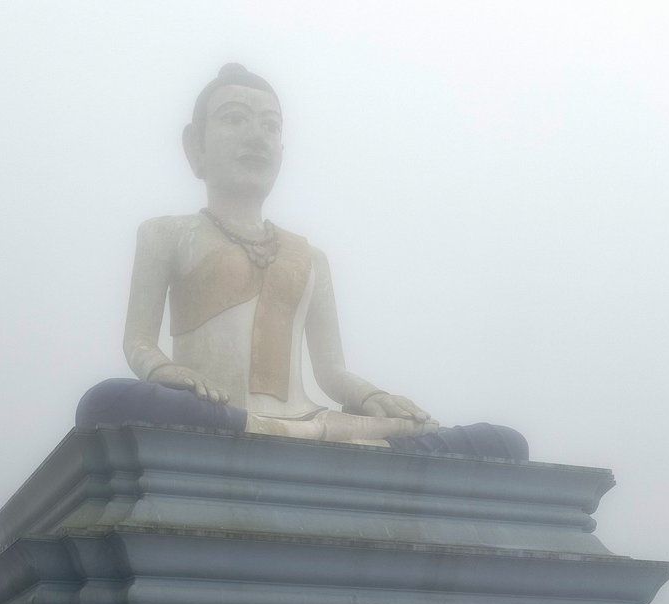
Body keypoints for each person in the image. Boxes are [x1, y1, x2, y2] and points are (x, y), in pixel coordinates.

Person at [77, 63, 528, 461]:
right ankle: (274, 435)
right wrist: (164, 372)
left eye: (270, 126)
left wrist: (373, 397)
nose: (256, 136)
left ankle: (286, 436)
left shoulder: (311, 258)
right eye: (234, 119)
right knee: (106, 401)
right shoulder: (166, 234)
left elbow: (331, 371)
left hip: (312, 420)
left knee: (503, 442)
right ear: (195, 146)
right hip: (212, 410)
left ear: (282, 151)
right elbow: (139, 341)